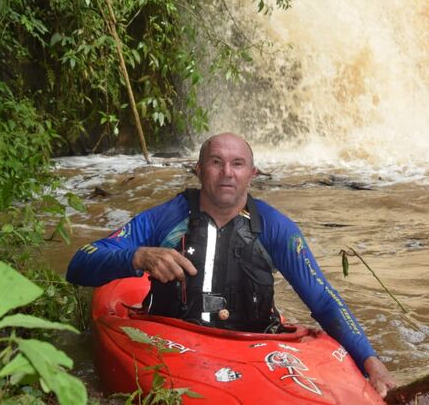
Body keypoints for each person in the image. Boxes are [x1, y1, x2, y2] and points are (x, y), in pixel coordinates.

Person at [66, 133, 397, 397]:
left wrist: (372, 364)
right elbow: (80, 264)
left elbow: (323, 301)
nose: (227, 173)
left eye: (237, 164)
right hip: (171, 340)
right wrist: (137, 256)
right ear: (199, 169)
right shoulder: (166, 218)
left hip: (254, 347)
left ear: (251, 175)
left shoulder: (275, 228)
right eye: (216, 162)